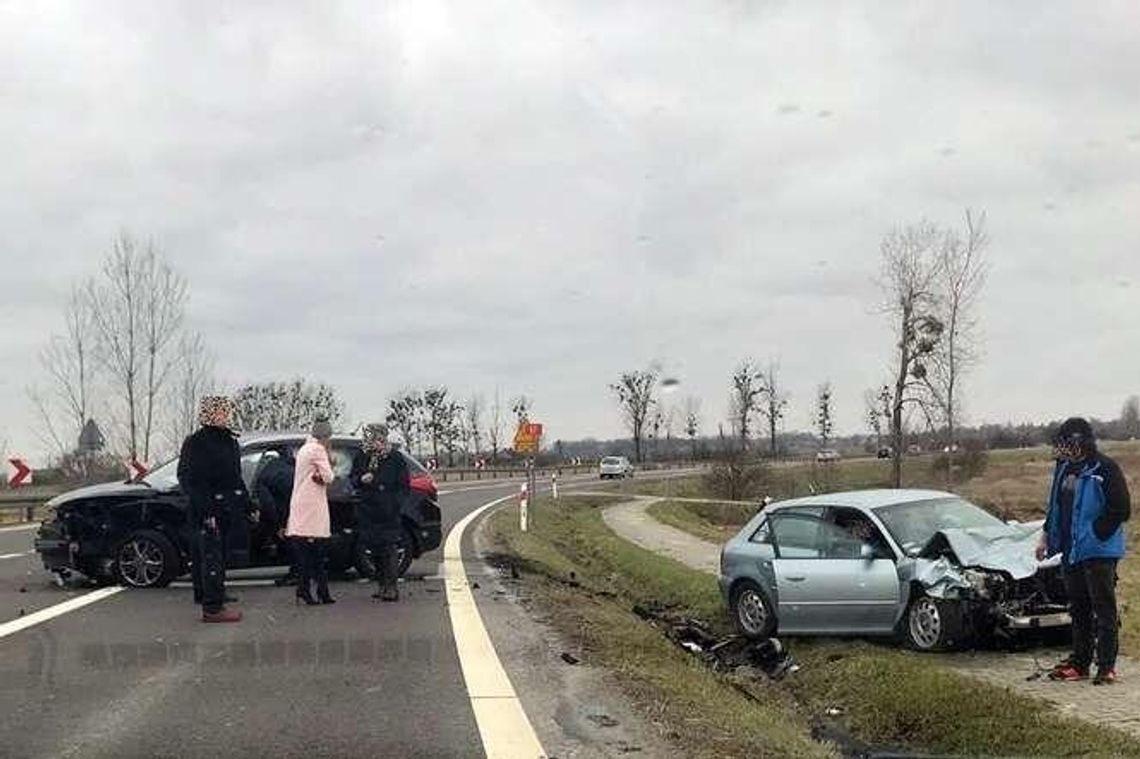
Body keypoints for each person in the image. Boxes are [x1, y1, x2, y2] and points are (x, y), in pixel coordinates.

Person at [1037, 417, 1131, 685]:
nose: (1061, 448)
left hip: (1098, 552)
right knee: (1078, 609)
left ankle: (1106, 666)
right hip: (1071, 550)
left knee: (1103, 609)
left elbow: (1121, 509)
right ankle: (1080, 663)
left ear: (1079, 442)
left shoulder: (1105, 468)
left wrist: (1096, 533)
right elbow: (1055, 507)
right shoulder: (1064, 469)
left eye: (1065, 443)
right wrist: (1045, 537)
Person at [177, 396, 249, 623]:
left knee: (217, 555)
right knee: (210, 556)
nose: (225, 416)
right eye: (220, 412)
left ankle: (213, 592)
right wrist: (205, 508)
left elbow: (235, 476)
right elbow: (189, 478)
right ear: (209, 414)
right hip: (207, 508)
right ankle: (212, 607)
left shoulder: (229, 441)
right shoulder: (197, 442)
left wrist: (247, 503)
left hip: (227, 507)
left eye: (226, 411)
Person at [350, 424, 410, 602]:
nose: (374, 442)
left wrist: (395, 504)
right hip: (368, 510)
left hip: (388, 510)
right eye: (371, 438)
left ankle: (391, 587)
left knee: (389, 547)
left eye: (377, 438)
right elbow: (353, 477)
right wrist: (361, 479)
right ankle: (381, 584)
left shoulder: (395, 458)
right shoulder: (362, 456)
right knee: (374, 548)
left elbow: (403, 485)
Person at [286, 416, 337, 606]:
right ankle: (312, 590)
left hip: (301, 504)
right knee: (316, 552)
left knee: (307, 552)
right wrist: (330, 461)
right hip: (312, 507)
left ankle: (313, 590)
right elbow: (329, 477)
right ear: (325, 436)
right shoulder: (317, 450)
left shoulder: (304, 448)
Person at [253, 447, 298, 586]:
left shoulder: (263, 477)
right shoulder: (291, 468)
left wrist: (279, 525)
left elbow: (268, 505)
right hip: (299, 508)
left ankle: (296, 574)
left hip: (285, 511)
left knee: (287, 540)